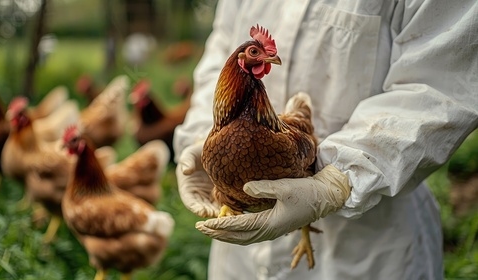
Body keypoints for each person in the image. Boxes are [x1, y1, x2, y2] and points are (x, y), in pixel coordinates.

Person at [173, 0, 478, 279]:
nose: (267, 56)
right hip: (241, 264)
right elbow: (218, 56)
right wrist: (204, 136)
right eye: (255, 52)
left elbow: (438, 88)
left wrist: (336, 180)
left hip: (369, 248)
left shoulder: (287, 142)